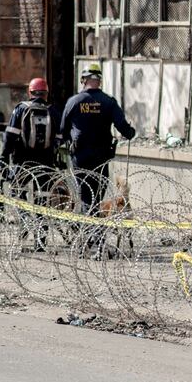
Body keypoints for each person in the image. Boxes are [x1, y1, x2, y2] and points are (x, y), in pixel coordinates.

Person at [61, 63, 135, 258]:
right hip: (101, 160)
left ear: (83, 80)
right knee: (96, 200)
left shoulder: (74, 102)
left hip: (81, 160)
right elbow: (125, 129)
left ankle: (93, 244)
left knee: (87, 201)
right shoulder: (109, 102)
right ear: (99, 81)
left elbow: (62, 129)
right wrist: (130, 132)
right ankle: (96, 243)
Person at [0, 77, 62, 251]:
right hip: (46, 164)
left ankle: (26, 221)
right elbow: (60, 138)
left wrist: (3, 160)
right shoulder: (53, 111)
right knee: (42, 200)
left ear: (30, 92)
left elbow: (10, 136)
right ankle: (40, 242)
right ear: (46, 93)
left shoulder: (21, 109)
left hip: (22, 162)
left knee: (17, 194)